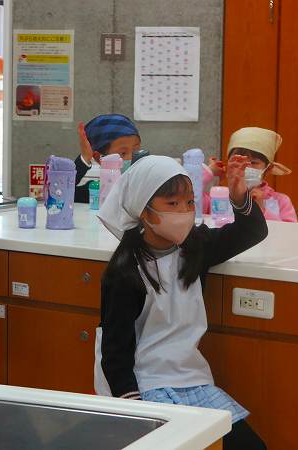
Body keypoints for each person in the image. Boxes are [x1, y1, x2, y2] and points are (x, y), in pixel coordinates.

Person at [95, 154, 269, 449]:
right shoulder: (125, 271)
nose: (184, 212)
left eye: (189, 202)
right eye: (172, 204)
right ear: (144, 210)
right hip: (144, 385)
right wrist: (136, 412)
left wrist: (240, 198)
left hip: (191, 380)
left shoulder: (196, 247)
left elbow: (252, 231)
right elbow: (115, 353)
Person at [205, 127, 297, 222]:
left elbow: (291, 230)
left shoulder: (281, 201)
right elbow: (196, 209)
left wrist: (260, 210)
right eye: (238, 161)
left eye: (253, 162)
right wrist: (209, 171)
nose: (244, 167)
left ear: (268, 168)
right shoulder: (217, 197)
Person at [74, 114, 142, 203]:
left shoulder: (146, 185)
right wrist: (85, 158)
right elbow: (63, 191)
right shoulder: (96, 191)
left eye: (135, 151)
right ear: (99, 158)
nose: (131, 157)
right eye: (123, 153)